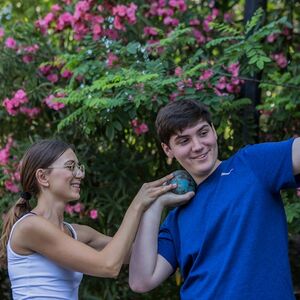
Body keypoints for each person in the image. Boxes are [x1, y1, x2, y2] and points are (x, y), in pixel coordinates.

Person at [129, 99, 300, 299]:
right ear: (168, 149)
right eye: (184, 140)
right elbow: (141, 281)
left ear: (214, 131)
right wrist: (154, 205)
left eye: (203, 133)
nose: (198, 146)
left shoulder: (252, 165)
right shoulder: (175, 220)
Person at [0, 139, 193, 300]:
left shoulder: (78, 233)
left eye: (78, 167)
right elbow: (108, 265)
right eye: (70, 167)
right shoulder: (30, 227)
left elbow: (138, 254)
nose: (80, 174)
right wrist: (137, 206)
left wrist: (157, 206)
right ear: (43, 177)